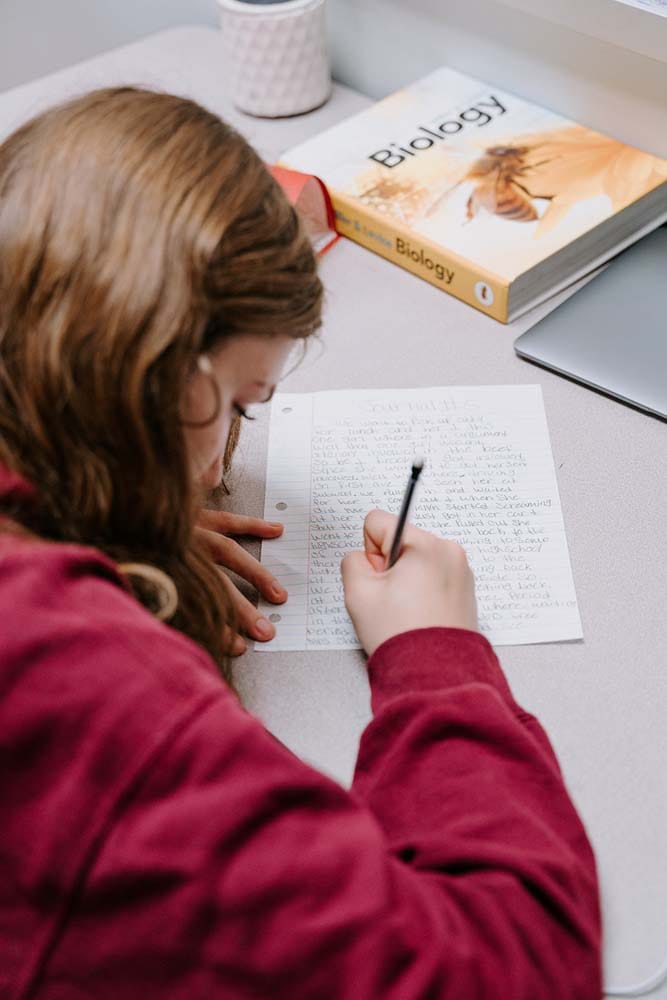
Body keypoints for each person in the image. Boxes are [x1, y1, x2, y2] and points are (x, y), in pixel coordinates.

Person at [0, 88, 601, 999]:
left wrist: (91, 494)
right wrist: (435, 657)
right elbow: (518, 968)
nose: (210, 477)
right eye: (237, 406)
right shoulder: (93, 691)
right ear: (153, 379)